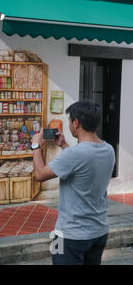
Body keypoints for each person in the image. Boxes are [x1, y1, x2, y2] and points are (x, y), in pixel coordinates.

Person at [31, 101, 115, 265]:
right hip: (99, 231)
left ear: (76, 123)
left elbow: (40, 174)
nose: (69, 124)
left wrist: (35, 145)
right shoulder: (108, 149)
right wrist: (63, 145)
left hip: (67, 234)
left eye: (69, 121)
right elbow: (83, 162)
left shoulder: (75, 154)